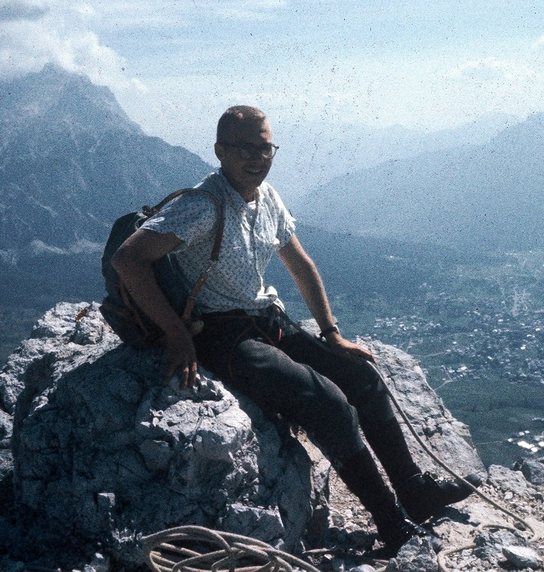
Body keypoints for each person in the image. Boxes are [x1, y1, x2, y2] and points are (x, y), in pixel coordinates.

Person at [112, 105, 479, 554]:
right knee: (326, 401)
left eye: (266, 147)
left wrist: (331, 333)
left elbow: (301, 265)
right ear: (220, 151)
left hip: (264, 318)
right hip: (220, 333)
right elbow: (129, 258)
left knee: (362, 378)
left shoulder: (267, 197)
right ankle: (390, 522)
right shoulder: (202, 207)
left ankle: (416, 492)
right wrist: (176, 334)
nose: (258, 157)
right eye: (246, 148)